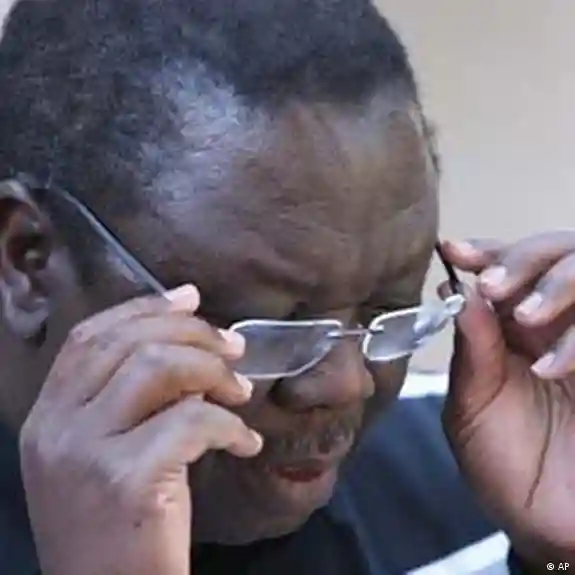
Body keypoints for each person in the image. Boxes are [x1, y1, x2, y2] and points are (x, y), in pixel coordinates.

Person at [0, 0, 574, 573]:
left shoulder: (479, 488)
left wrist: (558, 558)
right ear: (27, 262)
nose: (346, 383)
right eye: (270, 327)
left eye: (389, 309)